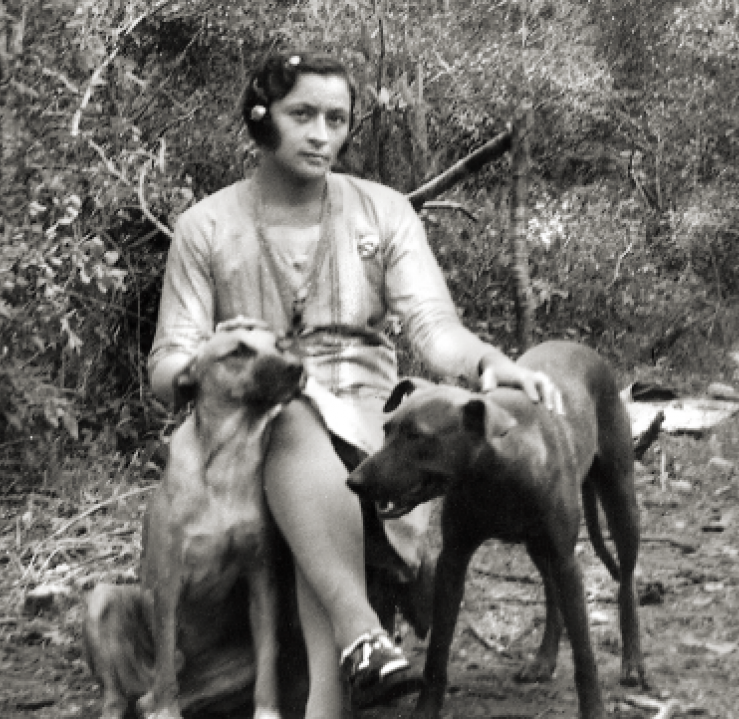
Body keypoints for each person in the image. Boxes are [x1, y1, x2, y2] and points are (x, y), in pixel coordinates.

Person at [148, 51, 562, 719]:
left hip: (372, 419)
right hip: (251, 419)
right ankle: (359, 638)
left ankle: (354, 646)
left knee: (300, 433)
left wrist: (487, 362)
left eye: (336, 119)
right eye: (302, 114)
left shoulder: (383, 210)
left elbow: (432, 324)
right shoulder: (207, 226)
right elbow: (168, 365)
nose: (321, 134)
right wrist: (210, 364)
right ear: (261, 118)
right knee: (284, 413)